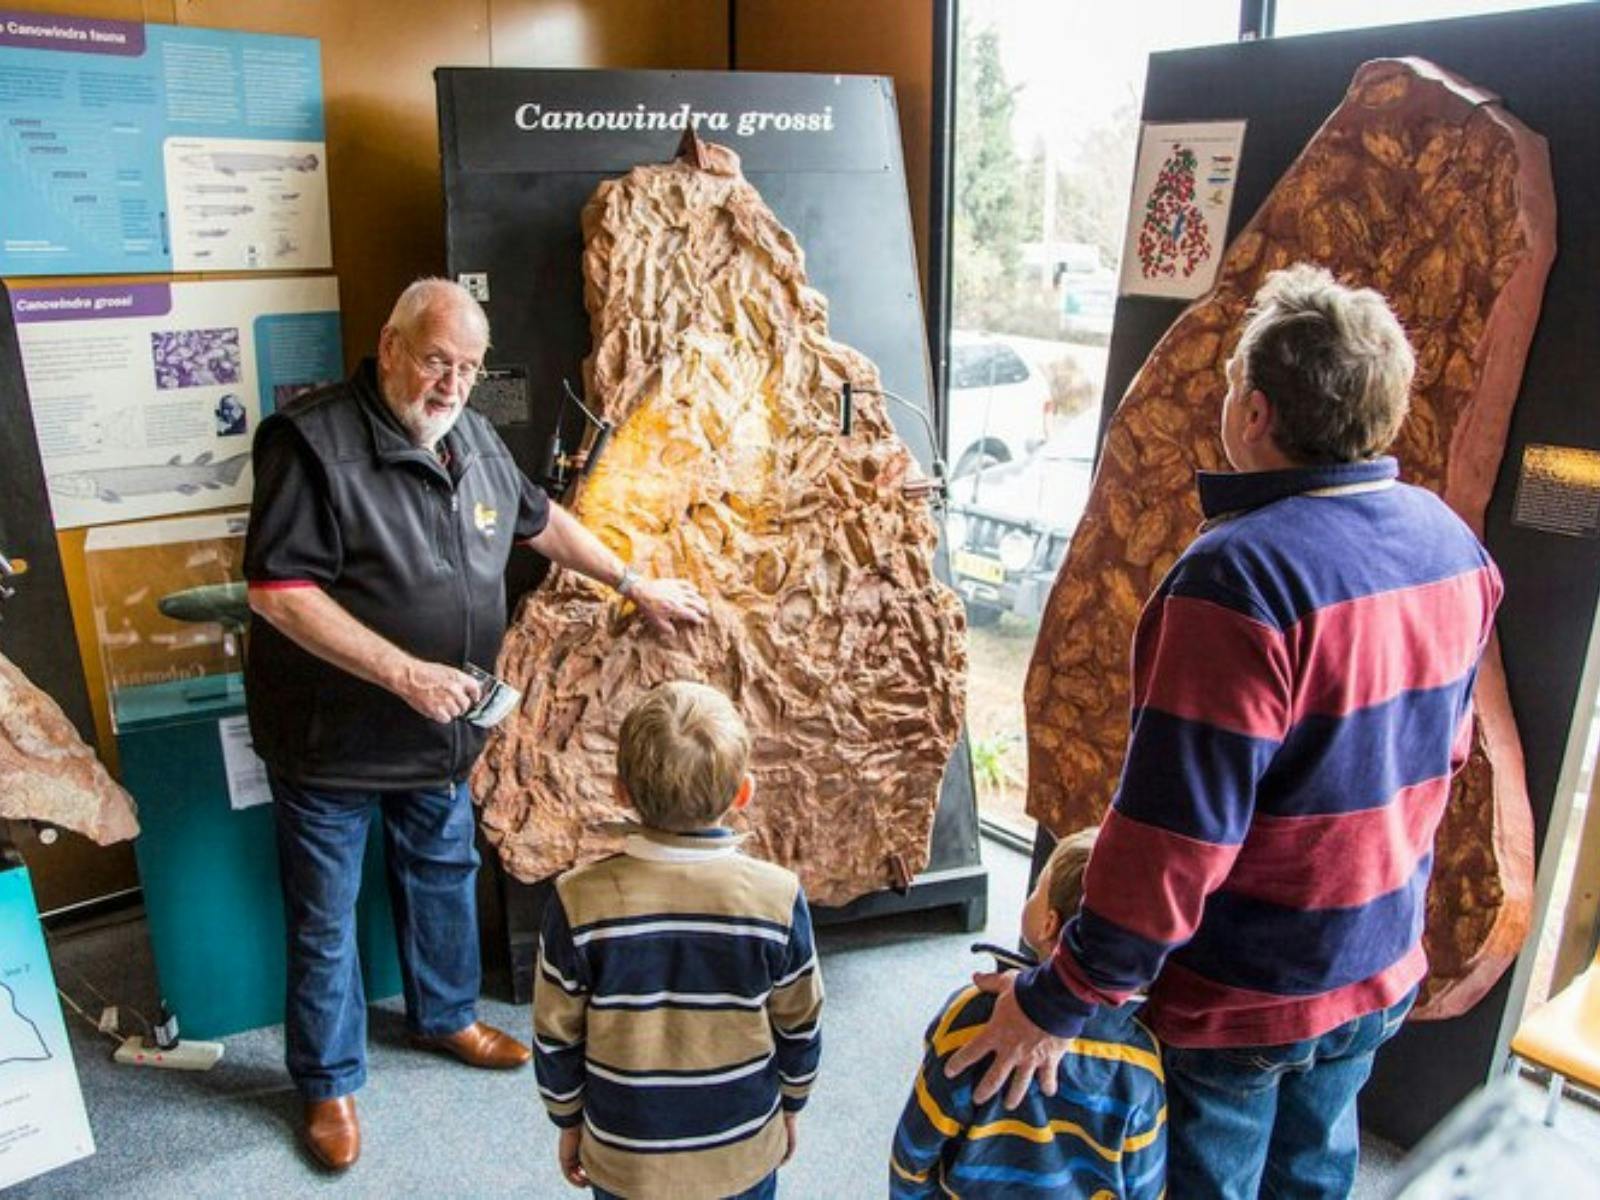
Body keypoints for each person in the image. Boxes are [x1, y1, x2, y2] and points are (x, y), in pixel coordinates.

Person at [948, 264, 1503, 1198]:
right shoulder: (1453, 545)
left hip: (1246, 994)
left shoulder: (1237, 579)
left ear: (1255, 413)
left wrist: (1061, 998)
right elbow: (1441, 759)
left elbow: (1176, 838)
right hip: (1377, 964)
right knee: (1317, 1177)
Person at [243, 278, 709, 1170]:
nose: (450, 385)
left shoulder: (474, 435)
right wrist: (403, 672)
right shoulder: (311, 444)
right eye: (434, 361)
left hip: (440, 731)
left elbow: (541, 523)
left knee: (442, 873)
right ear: (389, 347)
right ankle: (329, 1081)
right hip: (332, 737)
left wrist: (633, 582)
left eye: (466, 368)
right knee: (325, 915)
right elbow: (279, 595)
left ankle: (447, 1016)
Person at [533, 681, 824, 1200]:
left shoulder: (577, 899)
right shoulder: (778, 898)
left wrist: (568, 1123)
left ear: (620, 791)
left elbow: (556, 1035)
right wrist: (791, 1107)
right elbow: (800, 1024)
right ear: (743, 793)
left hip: (625, 1157)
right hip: (741, 1148)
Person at [890, 827, 1165, 1198]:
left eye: (1037, 888)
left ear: (1048, 924)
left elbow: (915, 1148)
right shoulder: (1141, 1062)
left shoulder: (970, 1017)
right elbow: (1145, 1186)